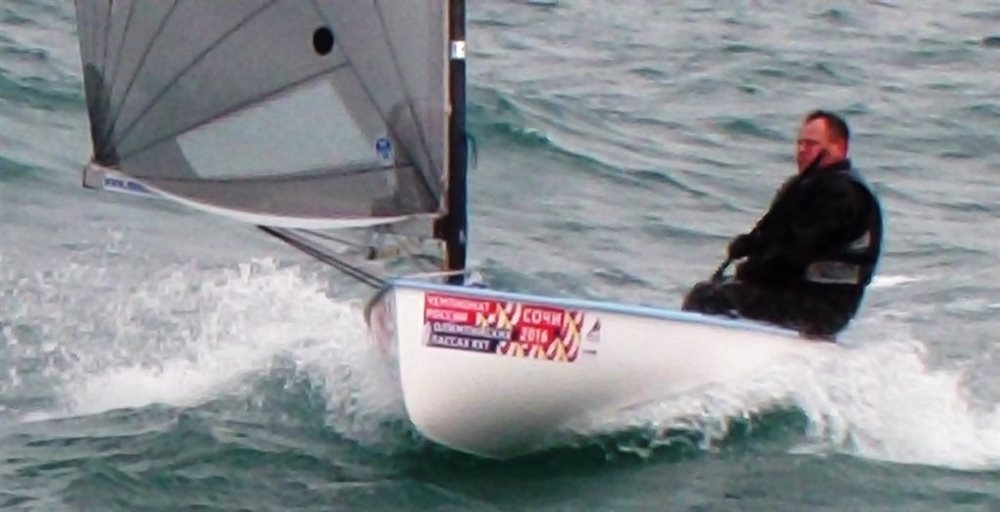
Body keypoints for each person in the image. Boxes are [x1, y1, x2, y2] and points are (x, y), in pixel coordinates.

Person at [681, 110, 883, 339]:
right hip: (798, 294)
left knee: (712, 298)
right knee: (711, 290)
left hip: (822, 306)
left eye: (812, 144)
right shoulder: (810, 186)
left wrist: (751, 271)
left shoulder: (843, 195)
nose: (802, 150)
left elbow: (795, 253)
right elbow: (776, 235)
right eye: (800, 144)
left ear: (839, 147)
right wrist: (749, 245)